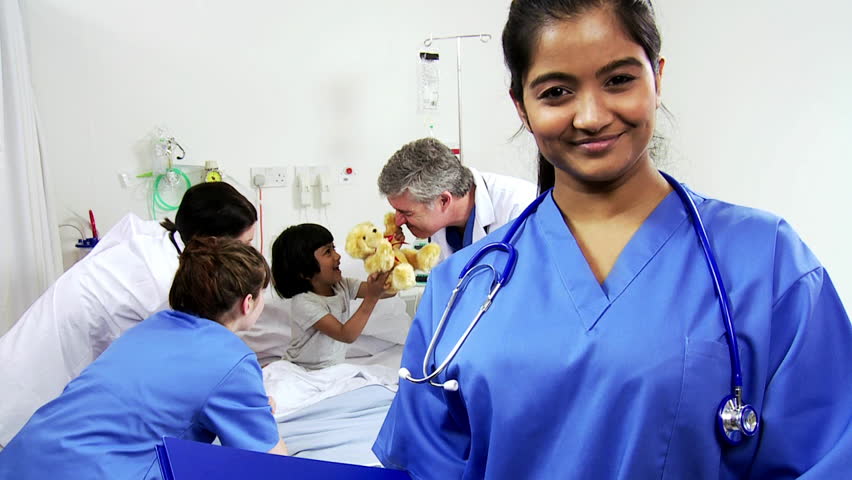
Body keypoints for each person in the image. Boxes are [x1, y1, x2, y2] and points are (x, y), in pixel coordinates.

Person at [373, 1, 852, 478]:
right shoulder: (460, 286)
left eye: (619, 80)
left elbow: (826, 456)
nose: (590, 116)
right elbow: (428, 463)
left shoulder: (764, 260)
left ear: (657, 78)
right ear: (521, 105)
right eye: (556, 91)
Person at [0, 236, 287, 479]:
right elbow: (273, 466)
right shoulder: (232, 359)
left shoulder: (150, 327)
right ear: (248, 303)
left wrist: (250, 407)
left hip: (20, 459)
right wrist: (260, 417)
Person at [0, 182, 258, 446]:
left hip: (24, 359)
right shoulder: (168, 286)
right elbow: (198, 371)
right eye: (247, 244)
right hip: (37, 390)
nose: (251, 253)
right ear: (215, 242)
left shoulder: (152, 237)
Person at [378, 137, 537, 262]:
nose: (398, 221)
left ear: (444, 201)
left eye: (406, 212)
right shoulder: (438, 223)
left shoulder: (522, 207)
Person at [271, 223, 392, 370]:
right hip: (302, 371)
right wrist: (372, 297)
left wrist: (391, 253)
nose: (337, 255)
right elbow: (346, 335)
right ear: (304, 271)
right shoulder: (303, 302)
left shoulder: (342, 285)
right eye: (328, 252)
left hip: (331, 370)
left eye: (333, 248)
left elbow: (389, 291)